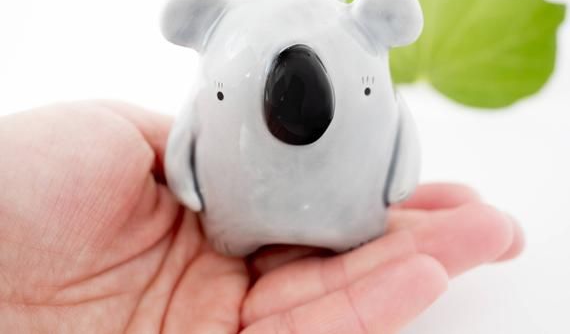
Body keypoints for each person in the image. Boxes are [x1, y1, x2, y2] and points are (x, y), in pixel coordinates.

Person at [0, 101, 524, 333]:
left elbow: (398, 135)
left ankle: (352, 228)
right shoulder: (200, 113)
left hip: (347, 214)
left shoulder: (385, 102)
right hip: (225, 228)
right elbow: (188, 142)